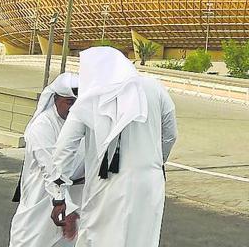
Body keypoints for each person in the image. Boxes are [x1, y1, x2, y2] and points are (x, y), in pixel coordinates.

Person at [48, 47, 178, 246]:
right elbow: (170, 135)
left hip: (106, 184)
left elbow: (64, 148)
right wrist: (155, 163)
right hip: (148, 184)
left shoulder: (89, 97)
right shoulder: (155, 88)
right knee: (141, 239)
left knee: (99, 238)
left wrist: (58, 196)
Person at [9, 73, 82, 247]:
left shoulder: (79, 123)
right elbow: (51, 168)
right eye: (69, 103)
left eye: (78, 104)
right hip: (42, 199)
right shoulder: (43, 125)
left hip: (73, 198)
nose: (73, 109)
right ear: (56, 98)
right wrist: (64, 205)